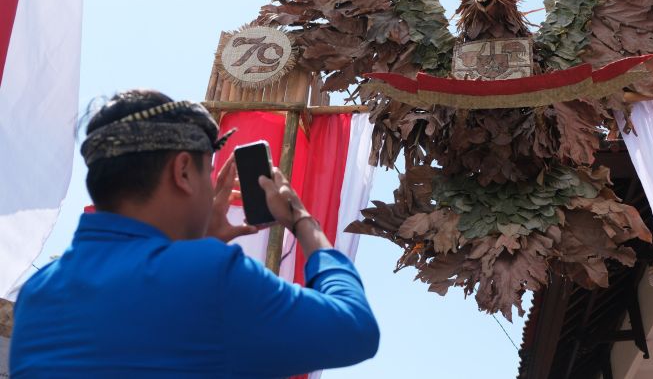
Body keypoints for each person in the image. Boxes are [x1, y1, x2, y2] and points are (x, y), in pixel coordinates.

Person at [9, 90, 379, 378]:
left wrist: (195, 249)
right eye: (208, 172)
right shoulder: (207, 272)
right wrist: (302, 220)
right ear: (183, 171)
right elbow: (354, 328)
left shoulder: (37, 295)